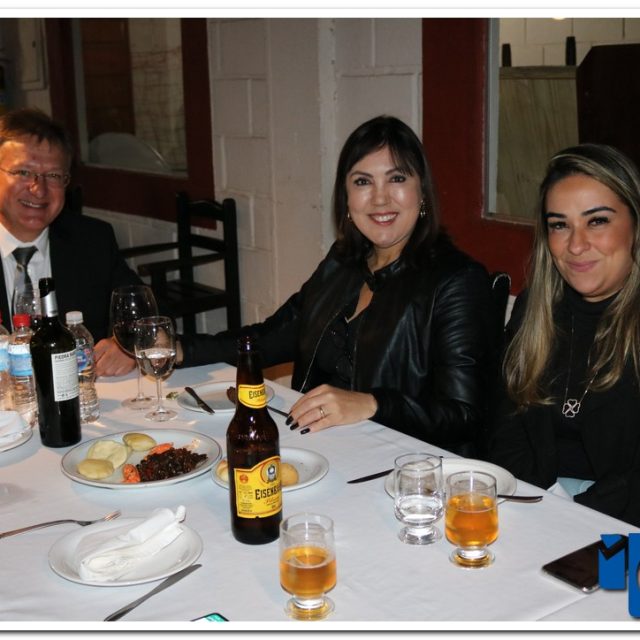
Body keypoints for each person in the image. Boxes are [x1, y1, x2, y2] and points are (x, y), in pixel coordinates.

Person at [179, 115, 493, 453]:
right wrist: (181, 349)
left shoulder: (456, 280)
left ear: (423, 192)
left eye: (397, 178)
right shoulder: (342, 262)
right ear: (346, 198)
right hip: (322, 448)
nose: (380, 198)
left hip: (404, 464)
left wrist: (372, 404)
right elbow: (270, 338)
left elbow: (464, 413)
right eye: (363, 181)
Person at [488, 143, 640, 526]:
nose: (576, 245)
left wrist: (569, 525)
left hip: (622, 525)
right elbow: (506, 431)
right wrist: (530, 513)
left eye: (597, 221)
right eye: (560, 225)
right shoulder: (535, 308)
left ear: (635, 226)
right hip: (541, 509)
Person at [0, 107, 142, 377]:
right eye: (23, 172)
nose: (38, 189)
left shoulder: (91, 240)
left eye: (53, 175)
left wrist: (126, 345)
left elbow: (147, 311)